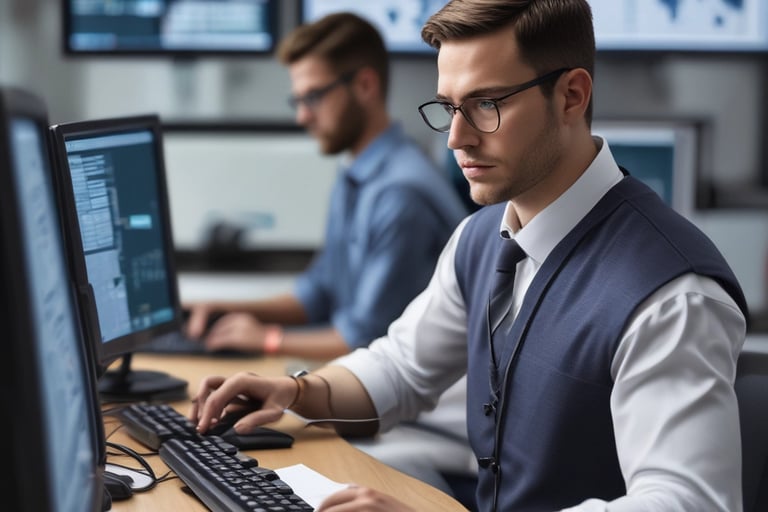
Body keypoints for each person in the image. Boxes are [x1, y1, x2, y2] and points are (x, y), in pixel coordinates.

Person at [190, 1, 750, 511]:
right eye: (448, 107)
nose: (456, 137)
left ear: (571, 97)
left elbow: (688, 501)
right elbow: (402, 368)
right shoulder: (481, 238)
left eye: (485, 104)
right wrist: (298, 392)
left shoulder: (672, 294)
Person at [184, 11, 474, 499]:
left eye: (313, 97)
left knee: (293, 471)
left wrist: (270, 339)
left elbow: (363, 334)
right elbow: (320, 288)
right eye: (298, 100)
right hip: (382, 393)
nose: (302, 116)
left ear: (363, 85)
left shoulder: (400, 192)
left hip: (426, 423)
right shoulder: (358, 174)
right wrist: (235, 312)